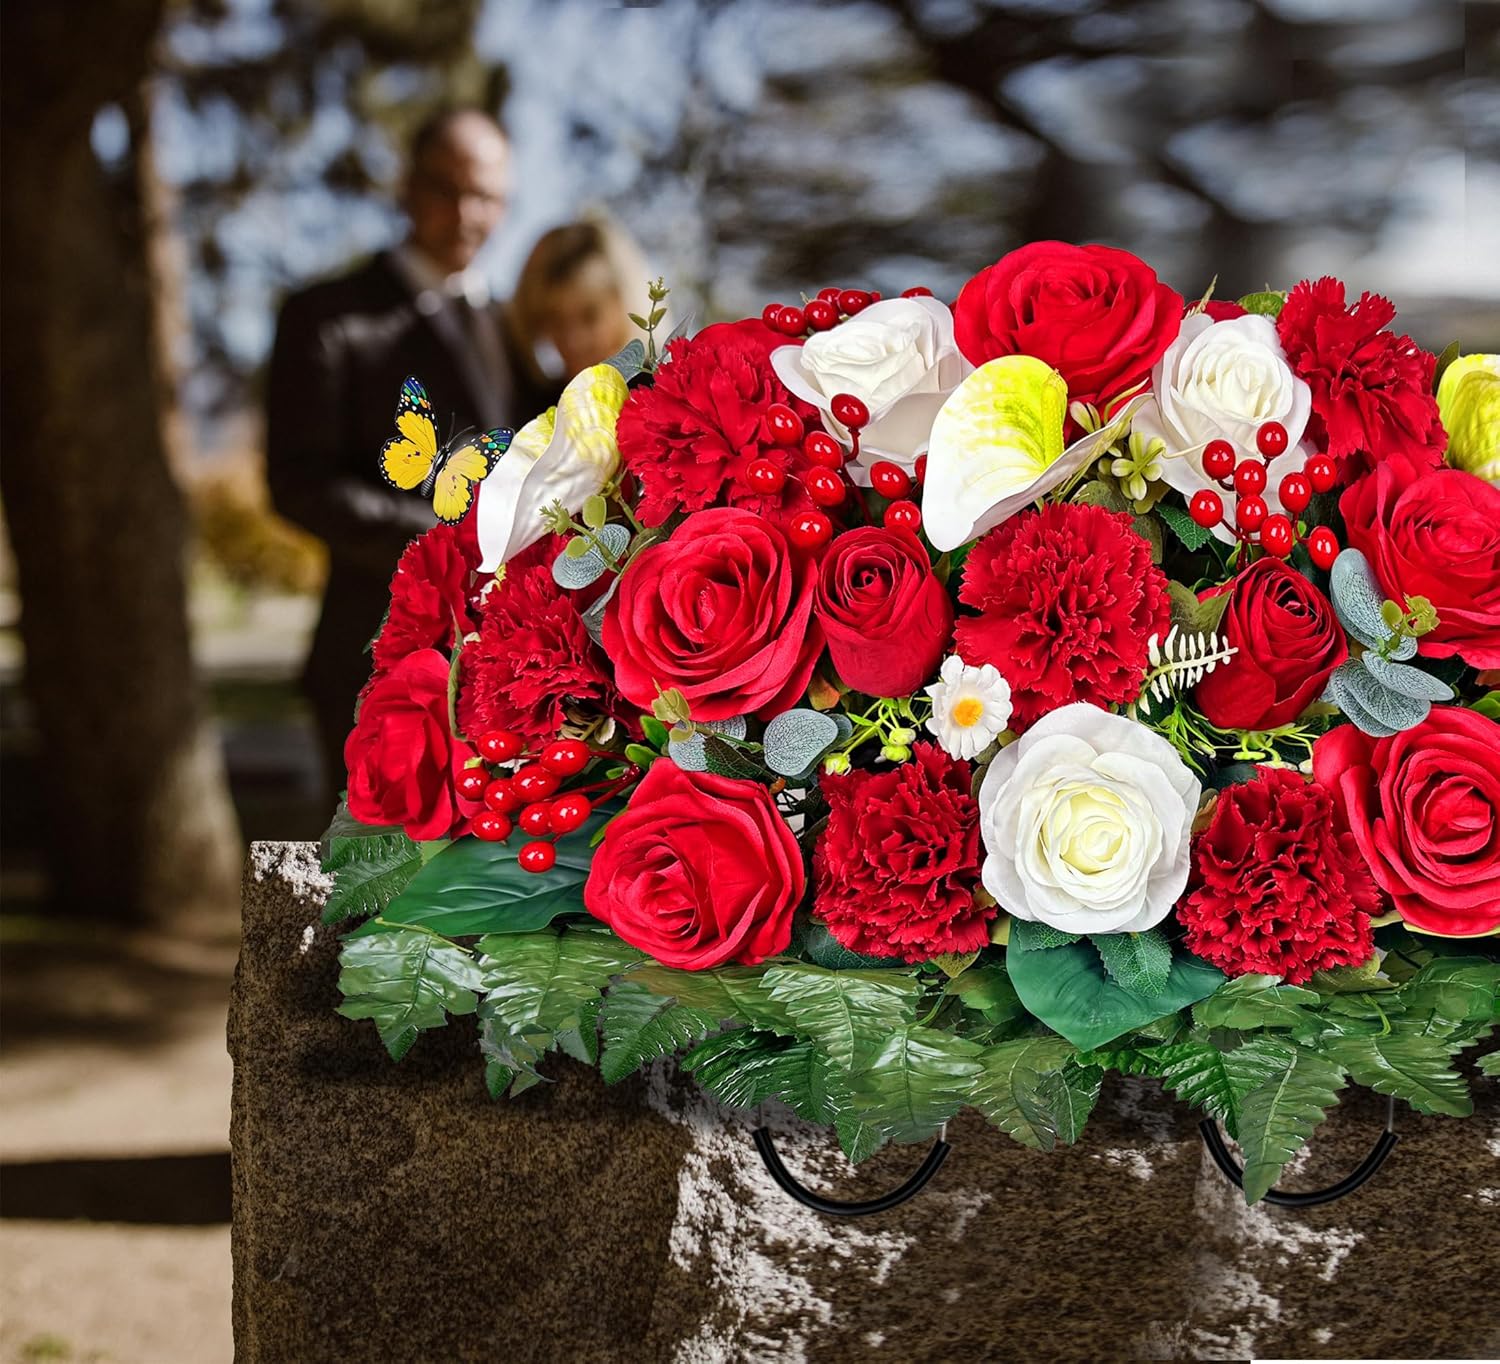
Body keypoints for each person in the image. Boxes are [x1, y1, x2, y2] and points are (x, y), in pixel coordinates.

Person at [266, 107, 545, 810]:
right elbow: (298, 482)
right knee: (375, 871)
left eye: (486, 196)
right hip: (373, 658)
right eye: (446, 188)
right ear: (407, 186)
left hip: (506, 673)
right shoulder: (327, 317)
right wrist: (444, 544)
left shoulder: (511, 325)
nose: (466, 213)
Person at [509, 217, 652, 394]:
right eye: (555, 321)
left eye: (590, 316)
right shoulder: (536, 402)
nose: (574, 340)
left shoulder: (664, 393)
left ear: (623, 303)